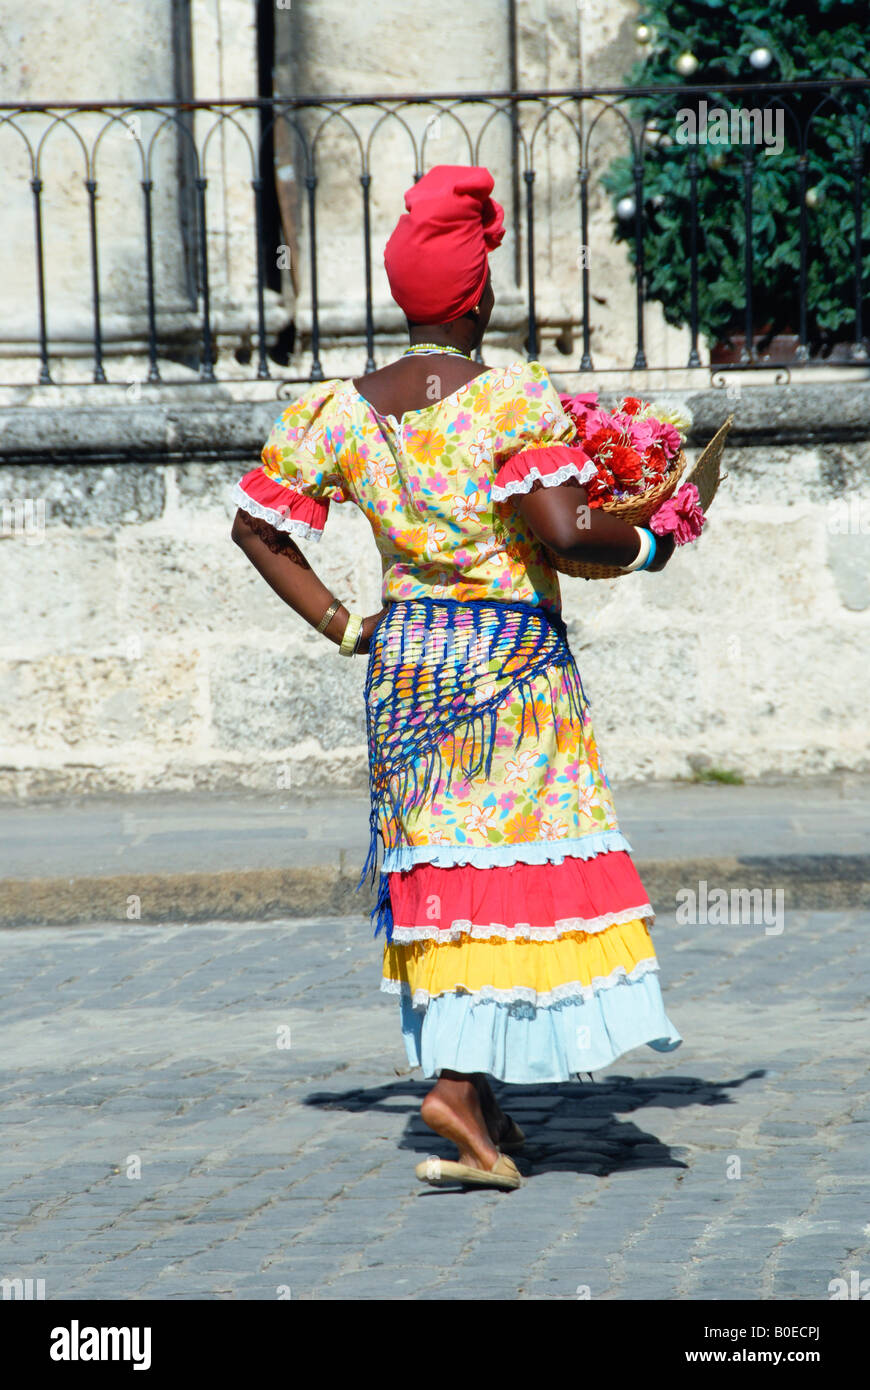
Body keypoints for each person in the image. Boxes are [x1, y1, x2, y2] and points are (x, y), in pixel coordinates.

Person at [230, 164, 682, 1193]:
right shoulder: (509, 398)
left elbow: (257, 527)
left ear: (405, 297)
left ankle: (473, 1093)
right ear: (476, 295)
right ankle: (458, 1090)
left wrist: (349, 625)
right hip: (508, 676)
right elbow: (567, 534)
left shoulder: (342, 412)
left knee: (446, 880)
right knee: (511, 878)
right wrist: (655, 539)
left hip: (407, 669)